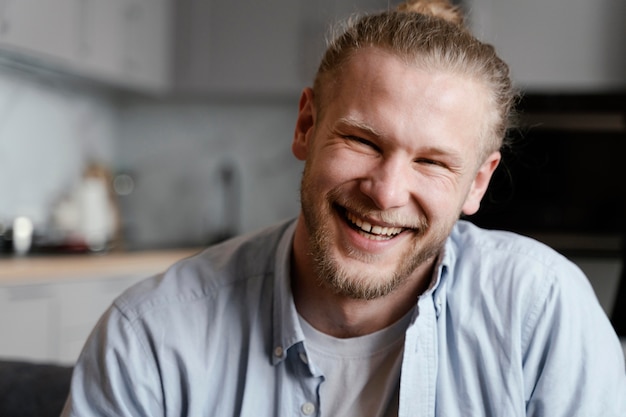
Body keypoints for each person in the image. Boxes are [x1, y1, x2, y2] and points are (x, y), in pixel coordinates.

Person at [61, 0, 626, 416]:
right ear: (306, 126)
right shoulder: (151, 337)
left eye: (432, 162)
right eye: (363, 141)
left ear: (477, 183)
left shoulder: (544, 314)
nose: (385, 192)